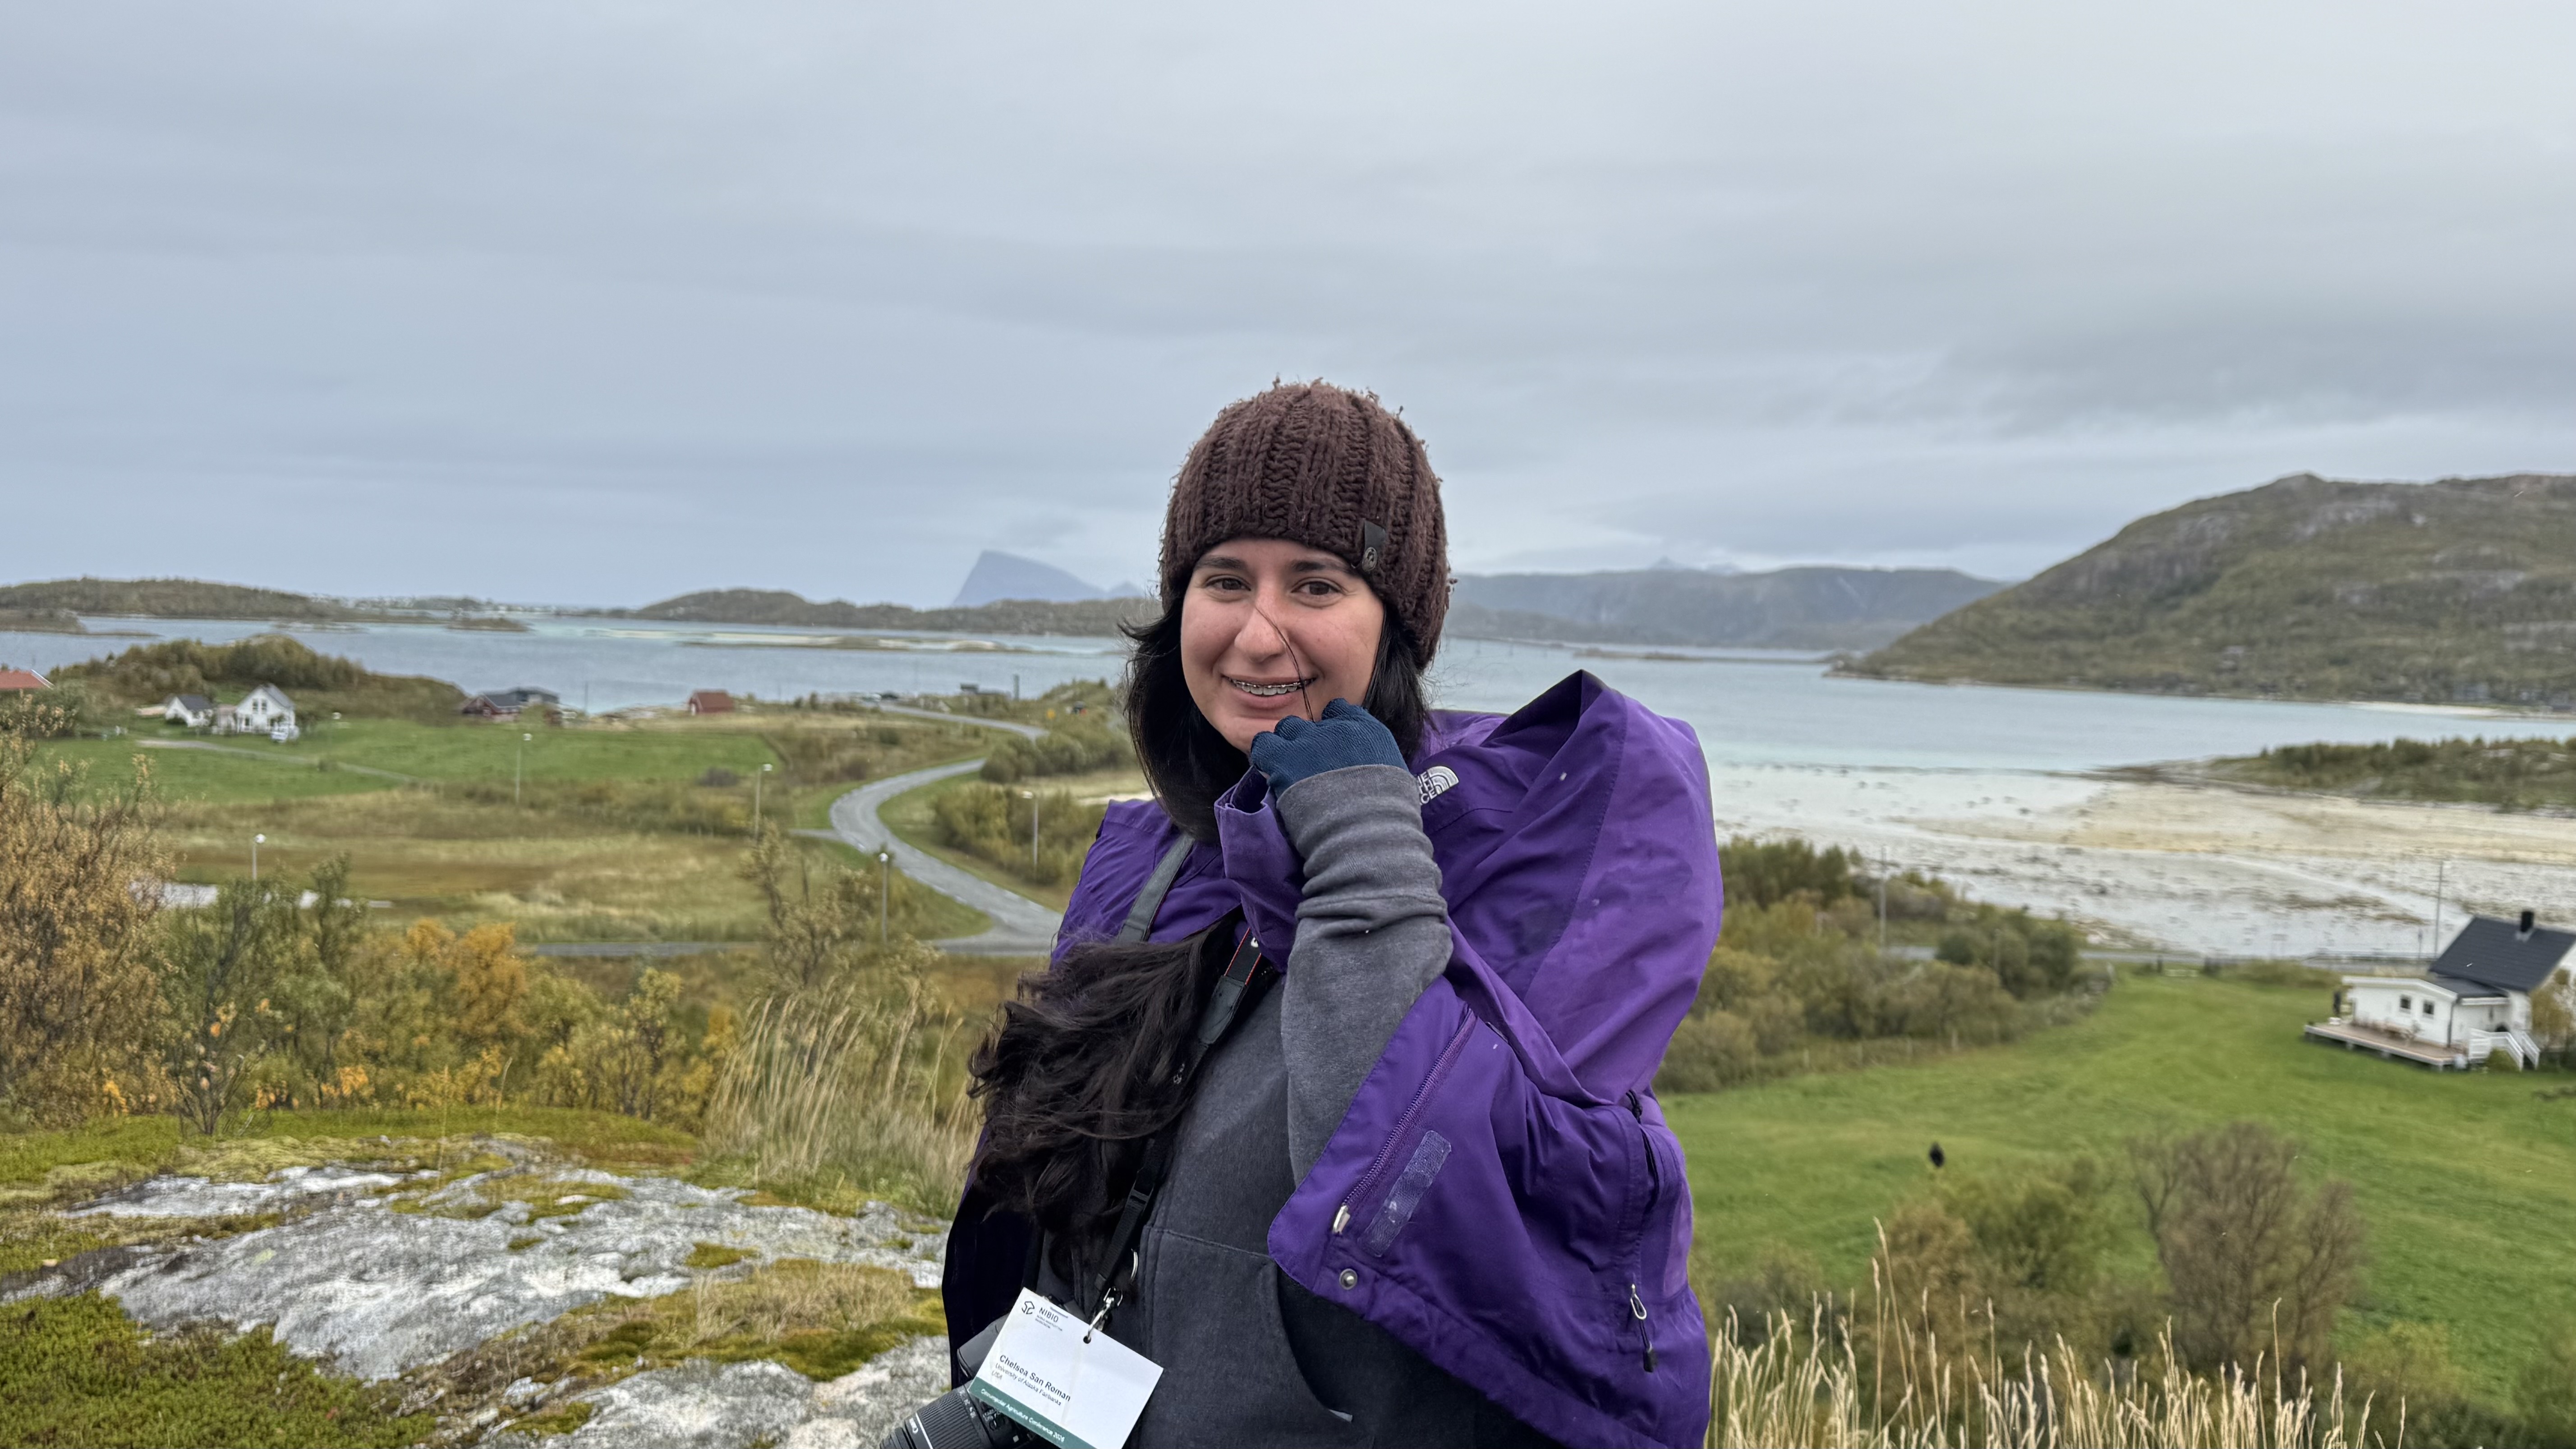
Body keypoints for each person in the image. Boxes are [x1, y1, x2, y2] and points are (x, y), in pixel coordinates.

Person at [940, 382, 1721, 1448]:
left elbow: (1421, 1198)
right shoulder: (1165, 858)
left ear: (1395, 626)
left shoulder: (1511, 878)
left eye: (1315, 581)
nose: (1259, 633)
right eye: (1224, 580)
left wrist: (1360, 836)